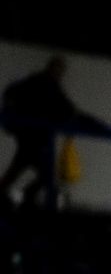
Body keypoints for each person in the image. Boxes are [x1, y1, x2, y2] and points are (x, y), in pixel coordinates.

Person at [1, 57, 103, 210]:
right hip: (35, 137)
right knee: (43, 173)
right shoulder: (46, 85)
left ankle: (23, 195)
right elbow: (67, 110)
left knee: (26, 168)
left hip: (30, 137)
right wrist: (93, 123)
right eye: (59, 70)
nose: (60, 74)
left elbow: (64, 109)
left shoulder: (34, 82)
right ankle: (27, 196)